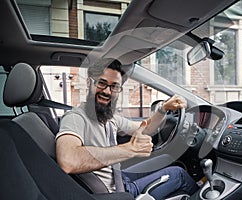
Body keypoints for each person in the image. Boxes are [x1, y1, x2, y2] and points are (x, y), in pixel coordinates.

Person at [55, 59, 199, 200]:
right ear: (89, 83)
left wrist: (163, 108)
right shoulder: (75, 117)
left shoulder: (109, 118)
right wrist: (130, 149)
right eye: (102, 83)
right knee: (179, 174)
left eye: (114, 87)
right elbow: (68, 161)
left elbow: (145, 129)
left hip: (117, 176)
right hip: (115, 193)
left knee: (167, 160)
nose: (107, 91)